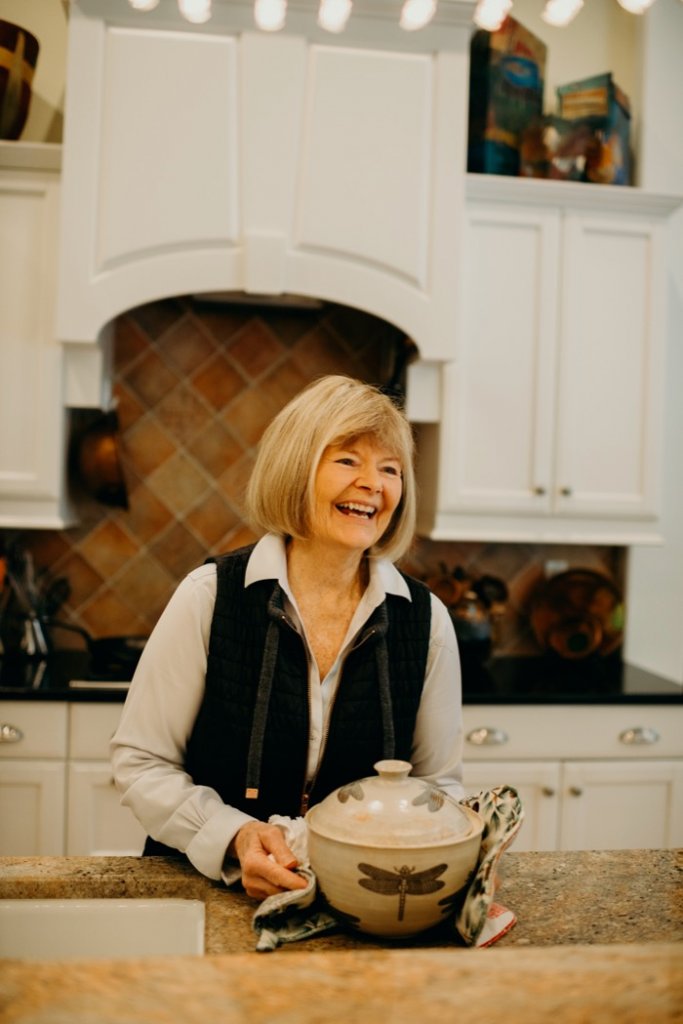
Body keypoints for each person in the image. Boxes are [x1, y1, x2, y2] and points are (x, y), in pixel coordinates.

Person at [111, 374, 464, 903]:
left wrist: (460, 853)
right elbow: (142, 763)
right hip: (209, 893)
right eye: (348, 460)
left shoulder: (426, 620)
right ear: (297, 468)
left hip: (356, 906)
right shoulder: (211, 596)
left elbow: (440, 788)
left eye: (390, 469)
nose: (374, 484)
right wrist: (235, 836)